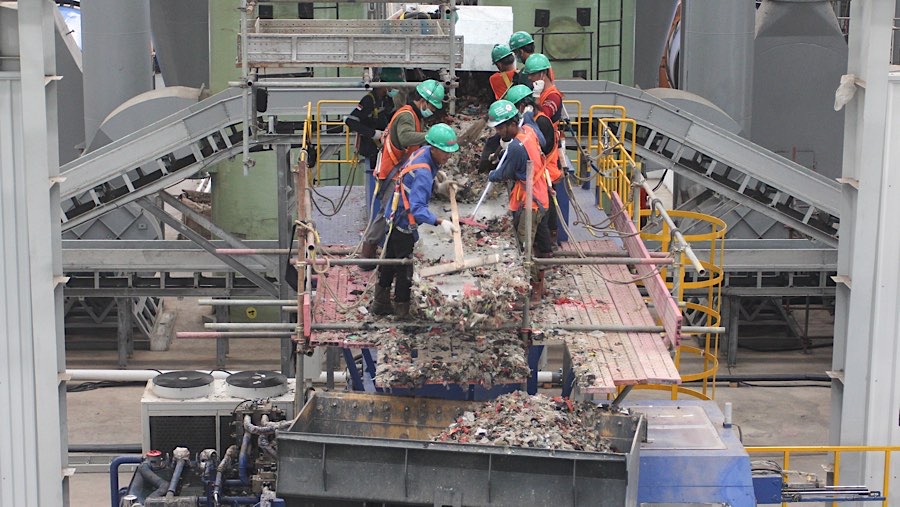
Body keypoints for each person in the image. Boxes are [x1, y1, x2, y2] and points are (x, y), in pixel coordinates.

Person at [369, 123, 461, 318]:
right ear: (434, 148)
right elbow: (418, 209)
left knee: (389, 259)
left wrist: (438, 185)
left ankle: (380, 302)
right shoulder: (423, 172)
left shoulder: (424, 152)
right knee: (404, 266)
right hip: (403, 221)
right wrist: (439, 221)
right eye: (445, 152)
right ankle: (402, 310)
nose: (448, 156)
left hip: (394, 213)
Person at [359, 79, 446, 270]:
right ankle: (367, 256)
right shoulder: (407, 116)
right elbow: (406, 137)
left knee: (393, 212)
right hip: (391, 172)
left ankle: (383, 250)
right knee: (385, 214)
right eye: (432, 105)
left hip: (398, 170)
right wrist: (430, 137)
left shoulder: (413, 114)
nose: (432, 109)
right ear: (422, 100)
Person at [485, 99, 550, 303]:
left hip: (532, 201)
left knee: (525, 246)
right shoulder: (528, 131)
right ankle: (539, 283)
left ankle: (533, 291)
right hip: (539, 195)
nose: (498, 133)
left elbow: (505, 173)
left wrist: (492, 174)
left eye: (501, 128)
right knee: (531, 243)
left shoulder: (516, 147)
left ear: (512, 124)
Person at [504, 84, 559, 257]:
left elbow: (540, 145)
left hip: (543, 174)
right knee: (539, 214)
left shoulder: (540, 122)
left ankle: (546, 253)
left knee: (541, 215)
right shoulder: (532, 120)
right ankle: (544, 249)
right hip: (537, 174)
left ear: (521, 106)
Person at [344, 68, 401, 221]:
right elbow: (350, 121)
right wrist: (373, 133)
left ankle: (384, 208)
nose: (392, 89)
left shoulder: (386, 100)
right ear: (382, 84)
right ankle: (377, 212)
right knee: (378, 179)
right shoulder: (368, 101)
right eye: (390, 86)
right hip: (371, 147)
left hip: (384, 146)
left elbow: (391, 117)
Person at [523, 54, 565, 247]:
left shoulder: (553, 96)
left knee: (548, 191)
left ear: (543, 73)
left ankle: (551, 237)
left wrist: (536, 99)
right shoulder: (544, 94)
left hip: (548, 149)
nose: (531, 79)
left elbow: (544, 117)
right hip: (543, 144)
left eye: (533, 75)